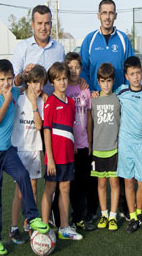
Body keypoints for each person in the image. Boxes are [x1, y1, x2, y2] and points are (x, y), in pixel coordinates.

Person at [0, 59, 49, 255]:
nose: (6, 82)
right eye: (2, 79)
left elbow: (30, 91)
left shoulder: (16, 93)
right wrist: (5, 97)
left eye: (9, 78)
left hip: (8, 150)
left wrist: (42, 93)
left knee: (23, 176)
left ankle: (32, 217)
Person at [41, 62, 82, 240]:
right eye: (58, 80)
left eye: (64, 78)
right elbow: (47, 130)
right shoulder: (50, 102)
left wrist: (72, 144)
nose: (62, 82)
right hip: (54, 157)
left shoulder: (71, 102)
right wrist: (49, 158)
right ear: (52, 82)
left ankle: (64, 227)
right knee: (50, 189)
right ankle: (43, 228)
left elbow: (69, 126)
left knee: (65, 188)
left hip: (67, 155)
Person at [9, 65, 47, 244]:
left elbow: (39, 126)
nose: (38, 87)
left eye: (41, 83)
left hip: (34, 149)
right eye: (35, 83)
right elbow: (8, 89)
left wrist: (34, 104)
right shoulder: (19, 97)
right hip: (19, 149)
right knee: (19, 191)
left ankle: (30, 221)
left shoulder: (40, 101)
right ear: (28, 83)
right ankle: (14, 228)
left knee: (32, 188)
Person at [116, 56, 142, 234]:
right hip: (125, 143)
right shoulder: (121, 91)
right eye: (132, 74)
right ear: (126, 76)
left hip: (141, 143)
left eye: (138, 73)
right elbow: (106, 96)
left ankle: (139, 212)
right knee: (128, 181)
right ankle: (133, 217)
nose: (136, 77)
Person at [64, 53, 96, 231]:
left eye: (77, 67)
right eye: (70, 68)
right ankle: (70, 217)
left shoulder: (85, 89)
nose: (73, 71)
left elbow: (89, 117)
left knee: (84, 181)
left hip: (84, 144)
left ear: (81, 69)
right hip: (69, 145)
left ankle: (83, 216)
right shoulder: (64, 88)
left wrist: (90, 141)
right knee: (71, 183)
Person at [90, 63, 121, 231]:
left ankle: (113, 216)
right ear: (98, 82)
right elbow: (90, 124)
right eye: (103, 81)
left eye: (109, 81)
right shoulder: (94, 99)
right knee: (101, 184)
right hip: (98, 150)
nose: (106, 85)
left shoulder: (118, 99)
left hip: (114, 149)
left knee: (114, 183)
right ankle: (103, 214)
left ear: (113, 81)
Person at [80, 0, 134, 92]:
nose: (107, 17)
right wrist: (90, 91)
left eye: (111, 13)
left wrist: (125, 92)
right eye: (104, 13)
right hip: (95, 98)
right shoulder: (90, 39)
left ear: (115, 16)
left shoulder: (123, 39)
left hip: (119, 97)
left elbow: (131, 68)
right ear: (98, 15)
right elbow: (82, 69)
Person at [12, 5, 65, 95]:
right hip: (29, 105)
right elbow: (14, 82)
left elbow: (65, 76)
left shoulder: (59, 49)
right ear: (32, 25)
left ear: (51, 24)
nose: (43, 28)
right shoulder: (21, 47)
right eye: (39, 23)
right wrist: (23, 75)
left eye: (47, 23)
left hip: (53, 105)